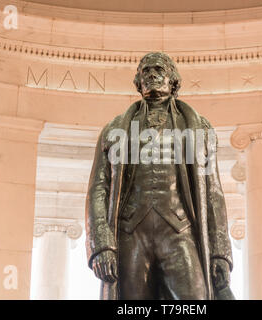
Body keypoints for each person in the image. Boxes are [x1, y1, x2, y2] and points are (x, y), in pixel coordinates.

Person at [85, 52, 233, 300]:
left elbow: (213, 192)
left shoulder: (200, 128)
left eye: (159, 70)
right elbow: (98, 188)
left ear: (173, 80)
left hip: (179, 230)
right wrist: (101, 245)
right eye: (145, 71)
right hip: (130, 232)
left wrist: (220, 253)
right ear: (138, 82)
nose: (152, 75)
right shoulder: (113, 129)